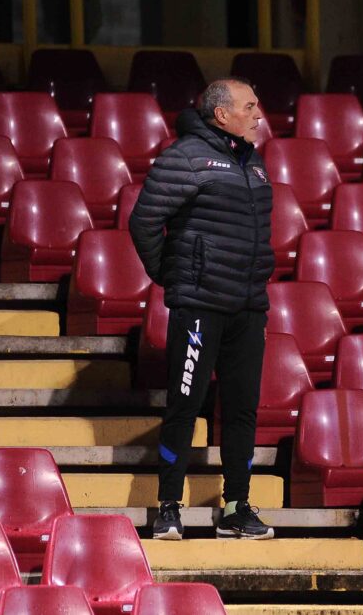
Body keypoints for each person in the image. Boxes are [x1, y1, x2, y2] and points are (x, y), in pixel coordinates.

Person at [130, 78, 275, 540]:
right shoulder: (185, 157)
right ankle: (168, 506)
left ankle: (236, 506)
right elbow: (144, 221)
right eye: (250, 107)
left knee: (241, 409)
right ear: (222, 114)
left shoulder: (254, 162)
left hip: (248, 307)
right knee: (185, 406)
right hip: (200, 305)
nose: (259, 115)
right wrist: (173, 277)